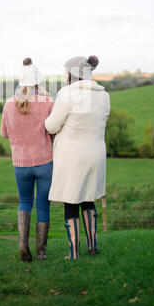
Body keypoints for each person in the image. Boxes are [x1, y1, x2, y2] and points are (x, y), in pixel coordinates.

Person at [45, 55, 110, 260]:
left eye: (66, 72)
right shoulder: (104, 95)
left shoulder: (66, 94)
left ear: (72, 74)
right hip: (96, 153)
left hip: (72, 156)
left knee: (71, 201)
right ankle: (93, 247)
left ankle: (74, 253)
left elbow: (52, 126)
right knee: (88, 198)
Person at [0, 58, 54, 262]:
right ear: (38, 81)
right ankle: (41, 251)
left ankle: (23, 244)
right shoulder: (47, 102)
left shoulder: (7, 104)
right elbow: (54, 129)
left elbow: (4, 133)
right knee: (42, 205)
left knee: (24, 202)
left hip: (20, 164)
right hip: (44, 162)